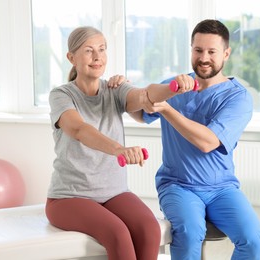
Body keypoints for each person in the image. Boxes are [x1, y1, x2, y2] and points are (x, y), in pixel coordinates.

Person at [45, 26, 195, 260]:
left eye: (102, 49)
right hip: (69, 197)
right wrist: (119, 149)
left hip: (113, 193)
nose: (98, 57)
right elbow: (78, 129)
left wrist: (172, 88)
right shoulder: (61, 95)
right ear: (71, 58)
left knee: (149, 229)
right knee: (118, 233)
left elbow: (145, 96)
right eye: (89, 50)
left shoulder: (114, 89)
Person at [138, 19, 260, 259]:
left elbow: (208, 142)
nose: (204, 57)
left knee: (254, 239)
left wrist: (166, 109)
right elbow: (140, 112)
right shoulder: (174, 86)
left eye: (212, 51)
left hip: (222, 188)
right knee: (189, 233)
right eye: (198, 50)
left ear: (226, 54)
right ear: (191, 50)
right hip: (178, 184)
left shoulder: (238, 98)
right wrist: (122, 87)